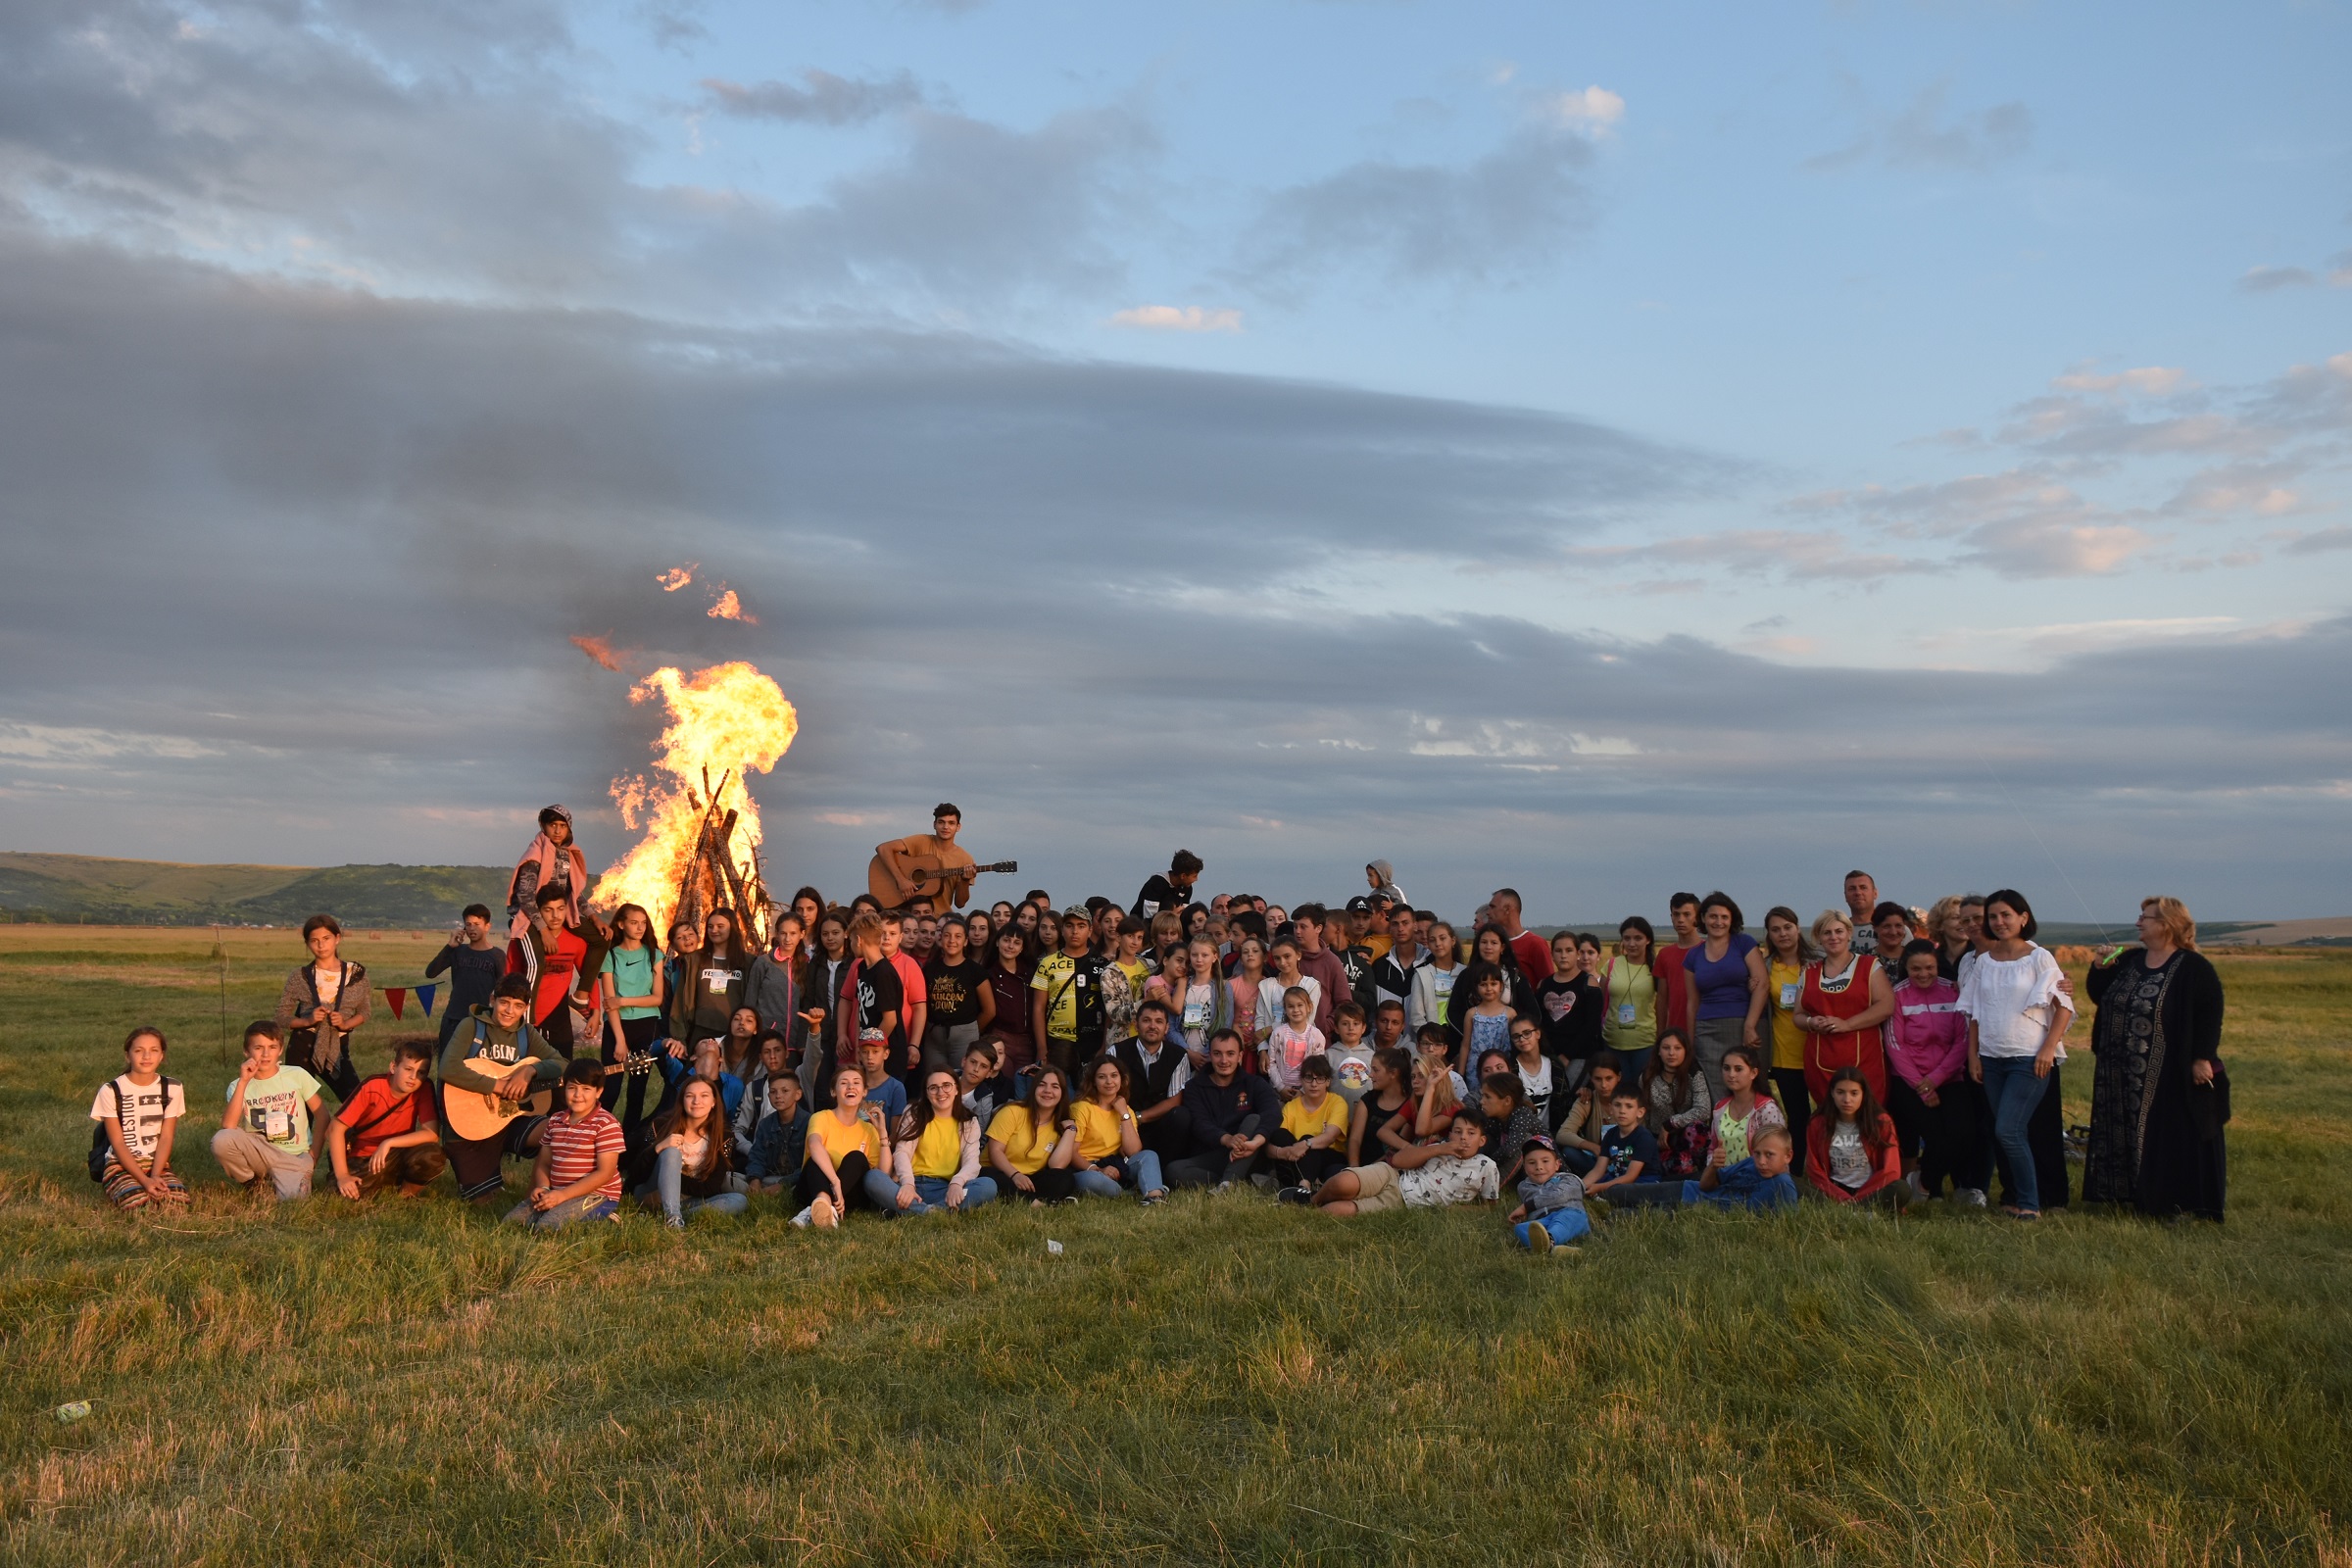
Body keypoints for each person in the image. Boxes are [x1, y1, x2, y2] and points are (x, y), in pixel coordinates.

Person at [2083, 897, 2228, 1222]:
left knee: (2165, 1133)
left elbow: (2209, 1013)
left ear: (2166, 925)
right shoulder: (2129, 959)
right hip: (2119, 1067)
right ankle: (2127, 1192)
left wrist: (2201, 1057)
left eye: (2145, 918)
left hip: (2166, 1067)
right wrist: (2098, 969)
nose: (2138, 923)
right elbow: (2100, 995)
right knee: (2126, 1129)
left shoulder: (2193, 966)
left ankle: (2171, 1202)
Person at [1960, 889, 2074, 1220]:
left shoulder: (2039, 958)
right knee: (2009, 1131)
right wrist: (1973, 1056)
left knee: (2007, 1130)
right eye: (1993, 916)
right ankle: (2017, 1199)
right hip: (1992, 1059)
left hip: (2028, 1057)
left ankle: (2030, 1204)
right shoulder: (1984, 962)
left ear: (2023, 918)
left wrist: (2048, 1048)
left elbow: (2063, 1007)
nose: (1999, 922)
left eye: (2006, 915)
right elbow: (1975, 1013)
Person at [439, 974, 567, 1203]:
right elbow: (448, 1068)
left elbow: (562, 1064)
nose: (510, 1011)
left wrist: (530, 1071)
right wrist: (496, 1085)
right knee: (483, 1202)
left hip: (508, 1119)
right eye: (504, 1002)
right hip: (470, 1123)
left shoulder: (525, 1032)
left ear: (526, 1008)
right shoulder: (471, 1026)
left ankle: (533, 1198)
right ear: (492, 1000)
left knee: (556, 1131)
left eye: (518, 1006)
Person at [1886, 940, 1986, 1205]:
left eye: (1929, 967)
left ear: (1936, 964)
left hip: (1949, 1077)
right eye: (1915, 969)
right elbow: (1895, 1046)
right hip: (1909, 1082)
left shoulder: (1952, 992)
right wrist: (1922, 1085)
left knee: (1964, 1134)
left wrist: (1935, 1080)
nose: (1923, 974)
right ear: (1906, 968)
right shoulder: (1897, 995)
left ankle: (1923, 1183)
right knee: (1936, 1138)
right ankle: (1933, 1191)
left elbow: (1962, 1040)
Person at [507, 1059, 624, 1229]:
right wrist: (543, 1187)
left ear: (598, 1092)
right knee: (512, 1223)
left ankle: (603, 1216)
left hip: (595, 1194)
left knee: (547, 1227)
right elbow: (545, 1163)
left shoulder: (606, 1123)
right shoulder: (555, 1120)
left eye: (586, 1089)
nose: (577, 1095)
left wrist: (562, 1195)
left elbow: (605, 1173)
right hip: (557, 1191)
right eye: (572, 1088)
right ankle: (557, 1206)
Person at [214, 1019, 323, 1200]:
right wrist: (243, 1082)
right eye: (258, 1048)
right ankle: (252, 1182)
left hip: (293, 1154)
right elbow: (229, 1125)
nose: (265, 1054)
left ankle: (281, 1180)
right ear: (246, 1051)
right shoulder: (238, 1085)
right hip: (259, 1150)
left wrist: (315, 1153)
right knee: (221, 1140)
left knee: (293, 1201)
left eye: (272, 1047)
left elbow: (323, 1115)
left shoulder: (296, 1075)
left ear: (280, 1050)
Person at [324, 1038, 447, 1200]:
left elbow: (431, 1134)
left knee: (433, 1154)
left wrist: (388, 1143)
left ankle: (405, 1196)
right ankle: (373, 1182)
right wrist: (342, 1176)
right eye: (408, 1069)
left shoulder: (424, 1088)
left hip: (397, 1153)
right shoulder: (373, 1086)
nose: (413, 1077)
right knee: (339, 1192)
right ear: (393, 1067)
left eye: (421, 1072)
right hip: (364, 1157)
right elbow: (335, 1129)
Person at [1796, 910, 1894, 1106]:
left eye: (1839, 931)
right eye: (1827, 933)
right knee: (1829, 1118)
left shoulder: (1869, 966)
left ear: (1849, 933)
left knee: (1867, 1116)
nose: (1834, 937)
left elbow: (1886, 1005)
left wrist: (1847, 1024)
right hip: (1820, 1059)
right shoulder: (1809, 971)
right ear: (1818, 937)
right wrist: (1811, 1022)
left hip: (1865, 1057)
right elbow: (1798, 1015)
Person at [598, 902, 676, 1142]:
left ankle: (627, 1142)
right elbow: (608, 1002)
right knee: (609, 1090)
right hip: (617, 1027)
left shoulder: (654, 954)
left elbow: (657, 998)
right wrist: (620, 1040)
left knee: (637, 1090)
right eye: (634, 922)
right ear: (621, 924)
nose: (640, 927)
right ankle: (597, 1136)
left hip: (646, 1025)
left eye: (643, 923)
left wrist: (622, 1001)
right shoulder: (610, 954)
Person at [1310, 1116, 1497, 1216]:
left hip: (1402, 1203)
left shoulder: (1486, 1166)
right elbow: (1399, 1161)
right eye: (1458, 1132)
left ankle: (1313, 1213)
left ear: (1481, 1140)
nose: (1463, 1137)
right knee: (1343, 1182)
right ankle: (1312, 1200)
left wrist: (1462, 1211)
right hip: (1394, 1175)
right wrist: (1440, 1148)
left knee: (1340, 1211)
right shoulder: (1438, 1147)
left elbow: (1491, 1207)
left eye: (1471, 1133)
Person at [1166, 1031, 1283, 1189]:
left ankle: (1228, 1183)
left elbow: (1273, 1113)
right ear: (1210, 1055)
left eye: (1230, 1054)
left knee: (1254, 1120)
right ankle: (1233, 1181)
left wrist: (1255, 1143)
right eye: (1217, 1054)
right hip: (1213, 1154)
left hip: (1249, 1153)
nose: (1224, 1060)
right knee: (1173, 1171)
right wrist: (1227, 1138)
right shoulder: (1194, 1087)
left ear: (1240, 1056)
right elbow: (1199, 1123)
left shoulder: (1254, 1083)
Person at [89, 1026, 189, 1212]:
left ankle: (152, 1182)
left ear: (162, 1056)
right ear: (128, 1056)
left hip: (155, 1162)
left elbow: (167, 1137)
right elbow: (117, 1142)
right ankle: (120, 1184)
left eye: (154, 1051)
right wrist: (144, 1180)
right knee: (140, 1206)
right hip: (120, 1162)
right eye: (138, 1051)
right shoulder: (111, 1090)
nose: (146, 1056)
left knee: (177, 1204)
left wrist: (156, 1175)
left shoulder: (172, 1088)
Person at [272, 913, 369, 1102]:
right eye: (314, 941)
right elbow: (281, 1016)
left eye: (326, 939)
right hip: (303, 1044)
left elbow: (365, 1011)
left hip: (338, 1044)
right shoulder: (300, 976)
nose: (321, 945)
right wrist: (307, 1020)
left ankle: (345, 1133)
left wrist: (345, 1024)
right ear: (307, 944)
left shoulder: (356, 974)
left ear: (337, 938)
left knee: (356, 1101)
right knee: (300, 1108)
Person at [1602, 1124, 1799, 1214]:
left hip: (1698, 1212)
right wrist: (1714, 1165)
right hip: (1689, 1190)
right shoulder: (1750, 1163)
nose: (1761, 1161)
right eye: (1757, 1153)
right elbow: (1706, 1186)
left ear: (1788, 1156)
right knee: (1616, 1193)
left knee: (1621, 1215)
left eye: (1769, 1155)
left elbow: (1787, 1226)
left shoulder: (1783, 1185)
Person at [1748, 905, 1814, 1160]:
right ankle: (1797, 1168)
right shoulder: (1765, 966)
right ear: (1769, 934)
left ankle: (1826, 1168)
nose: (1783, 934)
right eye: (1776, 929)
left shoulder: (1818, 961)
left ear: (1798, 928)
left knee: (1826, 1114)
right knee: (1797, 1116)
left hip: (1817, 1050)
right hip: (1784, 1052)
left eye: (1787, 927)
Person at [795, 1064, 897, 1228]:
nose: (850, 1087)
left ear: (864, 1092)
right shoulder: (821, 1117)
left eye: (856, 1083)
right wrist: (835, 1183)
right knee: (817, 1159)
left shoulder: (869, 1130)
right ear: (833, 1092)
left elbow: (882, 1175)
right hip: (813, 1187)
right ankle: (823, 1206)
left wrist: (883, 1133)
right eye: (844, 1083)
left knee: (856, 1157)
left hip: (850, 1196)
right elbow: (814, 1145)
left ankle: (819, 1210)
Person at [637, 1078, 746, 1228]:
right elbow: (637, 1174)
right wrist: (658, 1148)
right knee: (671, 1153)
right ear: (682, 1100)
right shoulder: (660, 1125)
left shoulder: (724, 1137)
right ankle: (673, 1218)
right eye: (690, 1096)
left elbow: (711, 1187)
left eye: (704, 1095)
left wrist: (674, 1178)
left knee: (738, 1200)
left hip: (690, 1199)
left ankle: (675, 1216)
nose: (696, 1101)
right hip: (653, 1193)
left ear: (714, 1101)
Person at [1682, 892, 1762, 1090]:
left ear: (1732, 919)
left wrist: (1750, 1026)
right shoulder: (1693, 956)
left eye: (1724, 917)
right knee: (1712, 1086)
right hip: (1707, 1030)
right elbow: (1692, 1002)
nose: (1719, 922)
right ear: (1702, 918)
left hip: (1742, 1025)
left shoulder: (1744, 943)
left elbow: (1762, 984)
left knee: (1743, 1085)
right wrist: (1690, 1043)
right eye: (1713, 916)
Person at [891, 1067, 1000, 1213]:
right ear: (927, 1093)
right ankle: (937, 1211)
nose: (941, 1092)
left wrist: (957, 1183)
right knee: (873, 1178)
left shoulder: (969, 1122)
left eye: (946, 1085)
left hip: (945, 1189)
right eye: (933, 1088)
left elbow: (972, 1162)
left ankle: (920, 1210)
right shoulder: (914, 1113)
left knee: (988, 1185)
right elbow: (902, 1151)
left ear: (956, 1089)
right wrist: (908, 1184)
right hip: (910, 1184)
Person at [507, 888, 599, 1059]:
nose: (555, 916)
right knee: (525, 1076)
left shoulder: (576, 942)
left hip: (559, 1017)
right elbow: (509, 977)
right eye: (548, 910)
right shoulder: (524, 942)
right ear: (538, 912)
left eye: (561, 909)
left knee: (561, 1073)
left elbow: (589, 976)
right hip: (525, 1017)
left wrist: (595, 1011)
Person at [1069, 1054, 1166, 1203]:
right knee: (1093, 1180)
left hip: (1116, 1166)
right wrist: (1098, 1170)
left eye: (1114, 1076)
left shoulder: (1126, 1110)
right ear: (1094, 1081)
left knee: (1149, 1155)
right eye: (1102, 1077)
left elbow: (1133, 1151)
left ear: (1122, 1079)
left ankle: (1154, 1196)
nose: (1109, 1082)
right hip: (1086, 1168)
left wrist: (1124, 1114)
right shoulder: (1081, 1108)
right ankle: (1128, 1193)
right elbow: (1071, 1153)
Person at [1805, 1068, 1908, 1206]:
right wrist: (1840, 1196)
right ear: (1832, 1093)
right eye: (1840, 1092)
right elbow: (1814, 1169)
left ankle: (1855, 1209)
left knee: (1902, 1189)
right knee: (1792, 1183)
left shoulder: (1881, 1122)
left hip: (1871, 1189)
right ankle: (1861, 1211)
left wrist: (1857, 1199)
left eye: (1854, 1093)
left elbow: (1892, 1170)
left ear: (1863, 1094)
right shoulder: (1818, 1123)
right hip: (1834, 1188)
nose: (1847, 1100)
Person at [1031, 906, 1109, 1084]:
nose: (1075, 931)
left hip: (1092, 1043)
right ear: (1062, 929)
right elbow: (1038, 1007)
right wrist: (1042, 1047)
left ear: (1090, 930)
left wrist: (1104, 1045)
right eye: (1069, 925)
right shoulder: (1047, 963)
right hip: (1057, 1043)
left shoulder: (1103, 965)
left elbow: (1107, 1011)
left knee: (1087, 1095)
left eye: (1081, 926)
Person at [985, 1064, 1080, 1203]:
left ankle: (1024, 1198)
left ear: (1062, 1093)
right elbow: (995, 1151)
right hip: (1000, 1171)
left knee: (1065, 1178)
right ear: (1034, 1089)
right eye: (1042, 1085)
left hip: (1030, 1178)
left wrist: (1071, 1131)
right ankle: (1035, 1202)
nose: (1048, 1091)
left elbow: (1056, 1166)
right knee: (991, 1179)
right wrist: (1015, 1175)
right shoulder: (1013, 1111)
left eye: (1055, 1086)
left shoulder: (1059, 1124)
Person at [1115, 1000, 1195, 1161]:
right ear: (1136, 1025)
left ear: (1166, 1028)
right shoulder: (1117, 1052)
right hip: (1121, 1123)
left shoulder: (1178, 1055)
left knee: (1181, 1115)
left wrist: (1138, 1118)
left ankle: (1167, 1169)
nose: (1152, 1026)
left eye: (1159, 1021)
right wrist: (1127, 1122)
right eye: (1146, 1020)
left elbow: (1175, 1100)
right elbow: (1107, 1095)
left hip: (1158, 1124)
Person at [1266, 1054, 1353, 1200]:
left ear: (1328, 1082)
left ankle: (1303, 1186)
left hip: (1329, 1156)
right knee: (1279, 1134)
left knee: (1309, 1140)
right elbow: (1272, 1144)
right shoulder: (1291, 1106)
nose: (1314, 1084)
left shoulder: (1337, 1102)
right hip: (1294, 1158)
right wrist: (1282, 1152)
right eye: (1309, 1078)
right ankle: (1305, 1186)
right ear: (1301, 1080)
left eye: (1320, 1078)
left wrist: (1306, 1144)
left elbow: (1329, 1136)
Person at [425, 905, 507, 1052]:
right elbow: (431, 972)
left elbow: (503, 989)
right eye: (468, 924)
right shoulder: (458, 951)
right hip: (454, 1018)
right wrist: (450, 946)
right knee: (447, 1064)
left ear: (488, 926)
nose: (472, 929)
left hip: (481, 1020)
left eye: (477, 924)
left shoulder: (497, 955)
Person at [671, 906, 753, 1053]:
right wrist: (679, 1037)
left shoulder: (748, 962)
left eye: (720, 926)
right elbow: (680, 1002)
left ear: (732, 928)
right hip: (701, 1030)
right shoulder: (694, 960)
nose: (714, 930)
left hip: (735, 1032)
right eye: (710, 926)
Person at [1638, 1029, 1713, 1182]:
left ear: (1685, 1051)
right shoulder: (1647, 1077)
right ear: (1658, 1051)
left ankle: (1707, 1171)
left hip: (1687, 1136)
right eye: (1666, 1048)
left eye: (1677, 1048)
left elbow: (1704, 1109)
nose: (1671, 1053)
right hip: (1659, 1142)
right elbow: (1641, 1115)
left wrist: (1670, 1123)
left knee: (1698, 1129)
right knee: (1678, 1170)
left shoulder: (1694, 1074)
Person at [872, 804, 979, 910]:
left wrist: (965, 880)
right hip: (909, 915)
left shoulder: (965, 859)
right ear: (934, 824)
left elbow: (960, 904)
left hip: (940, 918)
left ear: (958, 827)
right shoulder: (921, 841)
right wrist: (901, 880)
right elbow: (883, 848)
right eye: (941, 822)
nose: (945, 827)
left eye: (951, 823)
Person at [921, 912, 992, 1073]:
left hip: (965, 1035)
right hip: (934, 1038)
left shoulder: (975, 971)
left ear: (965, 941)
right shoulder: (930, 969)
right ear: (941, 939)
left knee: (960, 1081)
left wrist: (970, 1030)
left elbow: (989, 1010)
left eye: (958, 936)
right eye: (947, 935)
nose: (952, 940)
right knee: (935, 1078)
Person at [1533, 932, 1605, 1089]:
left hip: (1580, 1056)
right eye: (1558, 951)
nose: (1563, 955)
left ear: (1578, 954)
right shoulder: (1543, 985)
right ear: (1552, 955)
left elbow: (1591, 1026)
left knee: (1568, 1097)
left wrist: (1567, 1056)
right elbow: (1539, 1021)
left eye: (1569, 950)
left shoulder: (1589, 984)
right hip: (1549, 1056)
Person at [507, 806, 589, 938]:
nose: (558, 831)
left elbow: (573, 891)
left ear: (569, 829)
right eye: (553, 825)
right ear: (543, 826)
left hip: (556, 914)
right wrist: (543, 930)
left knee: (599, 938)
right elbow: (525, 896)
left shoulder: (567, 854)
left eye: (563, 826)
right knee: (536, 955)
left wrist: (593, 917)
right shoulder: (535, 856)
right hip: (528, 916)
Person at [799, 910, 854, 1102]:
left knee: (845, 1084)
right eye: (825, 934)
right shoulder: (816, 964)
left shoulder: (854, 963)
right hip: (820, 1034)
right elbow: (808, 1000)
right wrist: (804, 1038)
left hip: (846, 1036)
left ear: (846, 934)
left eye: (835, 932)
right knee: (821, 1087)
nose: (830, 937)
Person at [1708, 1046, 1787, 1169]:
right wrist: (1712, 1168)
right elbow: (1712, 1148)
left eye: (1738, 1069)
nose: (1731, 1074)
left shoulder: (1767, 1110)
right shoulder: (1720, 1108)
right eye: (1726, 1068)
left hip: (1757, 1179)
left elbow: (1777, 1152)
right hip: (1723, 1179)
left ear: (1753, 1073)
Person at [1507, 1135, 1589, 1253]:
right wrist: (1524, 1217)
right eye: (1531, 1162)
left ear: (1557, 1164)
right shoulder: (1523, 1187)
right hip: (1543, 1221)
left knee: (1565, 1218)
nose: (1539, 1167)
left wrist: (1526, 1207)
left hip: (1570, 1215)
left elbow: (1560, 1195)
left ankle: (1548, 1241)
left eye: (1545, 1161)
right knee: (1521, 1229)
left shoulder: (1569, 1179)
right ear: (1524, 1167)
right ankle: (1554, 1250)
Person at [1583, 1085, 1659, 1203]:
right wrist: (1580, 1187)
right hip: (1617, 1178)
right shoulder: (1610, 1134)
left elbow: (1631, 1176)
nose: (1622, 1111)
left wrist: (1599, 1188)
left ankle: (1606, 1196)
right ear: (1611, 1109)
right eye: (1617, 1105)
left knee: (1619, 1190)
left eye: (1629, 1106)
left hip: (1643, 1181)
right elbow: (1598, 1170)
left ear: (1640, 1112)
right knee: (1596, 1182)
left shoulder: (1644, 1138)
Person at [1554, 1050, 1625, 1176]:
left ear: (1618, 1077)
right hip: (1596, 1159)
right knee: (1568, 1152)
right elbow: (1562, 1134)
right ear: (1591, 1078)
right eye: (1598, 1079)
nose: (1603, 1085)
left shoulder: (1629, 1101)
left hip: (1626, 1159)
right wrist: (1593, 1147)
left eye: (1609, 1078)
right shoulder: (1586, 1100)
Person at [1347, 1046, 1418, 1169]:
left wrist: (1371, 1170)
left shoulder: (1410, 1104)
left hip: (1391, 1169)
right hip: (1361, 1168)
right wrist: (1354, 1167)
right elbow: (1355, 1139)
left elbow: (1397, 1148)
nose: (1370, 1075)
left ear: (1393, 1073)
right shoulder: (1367, 1100)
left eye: (1376, 1070)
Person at [982, 924, 1038, 1081]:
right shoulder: (988, 974)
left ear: (1022, 948)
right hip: (999, 1037)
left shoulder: (1031, 973)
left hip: (1027, 1040)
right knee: (1002, 1084)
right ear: (997, 942)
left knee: (1024, 1087)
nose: (1010, 946)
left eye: (1016, 942)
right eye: (1006, 940)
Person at [1473, 1070, 1544, 1189]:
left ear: (1507, 1101)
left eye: (1487, 1097)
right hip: (1514, 1170)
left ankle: (1489, 1187)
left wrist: (1487, 1165)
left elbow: (1508, 1151)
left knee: (1522, 1142)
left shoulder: (1522, 1114)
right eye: (1482, 1096)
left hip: (1539, 1170)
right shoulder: (1494, 1116)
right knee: (1483, 1138)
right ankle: (1467, 1174)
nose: (1482, 1101)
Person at [744, 1072, 809, 1195]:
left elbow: (809, 1165)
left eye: (785, 1091)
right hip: (769, 1179)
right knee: (730, 1179)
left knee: (807, 1183)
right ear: (768, 1095)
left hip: (796, 1181)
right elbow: (757, 1156)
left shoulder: (810, 1122)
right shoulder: (765, 1124)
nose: (778, 1096)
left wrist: (783, 1184)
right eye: (773, 1092)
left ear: (798, 1094)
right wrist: (755, 1180)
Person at [1289, 906, 1350, 1037]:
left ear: (1318, 928)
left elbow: (1344, 1002)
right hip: (1287, 1036)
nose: (1297, 931)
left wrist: (1325, 1026)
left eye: (1303, 927)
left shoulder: (1332, 962)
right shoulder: (1288, 958)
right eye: (1295, 926)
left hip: (1320, 1040)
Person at [1652, 894, 1702, 1044]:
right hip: (1675, 1032)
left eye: (1687, 915)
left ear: (1697, 917)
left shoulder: (1707, 951)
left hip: (1704, 1028)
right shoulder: (1665, 954)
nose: (1681, 920)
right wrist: (1661, 1034)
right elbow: (1661, 998)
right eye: (1676, 914)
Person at [745, 913, 805, 1040]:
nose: (788, 939)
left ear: (802, 934)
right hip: (767, 1037)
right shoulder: (764, 962)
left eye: (793, 933)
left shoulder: (806, 964)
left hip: (795, 1042)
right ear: (777, 934)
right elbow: (750, 999)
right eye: (783, 933)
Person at [1408, 920, 1463, 1041]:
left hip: (1460, 1040)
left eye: (1442, 938)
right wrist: (1433, 1040)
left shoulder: (1464, 973)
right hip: (1431, 1043)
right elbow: (1416, 1017)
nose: (1438, 943)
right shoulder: (1421, 974)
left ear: (1453, 941)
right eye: (1432, 940)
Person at [1487, 889, 1554, 987]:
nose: (1488, 912)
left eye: (1493, 907)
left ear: (1507, 909)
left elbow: (1549, 984)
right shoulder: (1491, 944)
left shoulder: (1535, 944)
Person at [1264, 985, 1324, 1094]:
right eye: (1291, 1006)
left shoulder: (1316, 1036)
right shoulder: (1278, 1034)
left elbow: (1317, 1066)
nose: (1296, 1010)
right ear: (1285, 1009)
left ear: (1309, 1007)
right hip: (1280, 1091)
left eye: (1300, 1005)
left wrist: (1303, 1091)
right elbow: (1271, 1063)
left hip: (1306, 1091)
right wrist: (1280, 1087)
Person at [1323, 1002, 1377, 1102]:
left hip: (1364, 1114)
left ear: (1363, 1028)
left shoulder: (1372, 1056)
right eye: (1345, 1024)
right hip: (1335, 1114)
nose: (1351, 1028)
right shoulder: (1329, 1055)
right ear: (1336, 1028)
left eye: (1356, 1024)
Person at [1133, 850, 1204, 921]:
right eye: (1194, 876)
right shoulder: (1157, 883)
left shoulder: (1186, 888)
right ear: (1183, 876)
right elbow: (1150, 915)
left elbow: (1184, 913)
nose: (1196, 879)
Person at [1841, 870, 1882, 944]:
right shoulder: (1835, 934)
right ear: (1845, 896)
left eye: (1863, 887)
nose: (1858, 893)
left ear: (1875, 893)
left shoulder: (1895, 930)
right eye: (1852, 889)